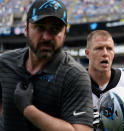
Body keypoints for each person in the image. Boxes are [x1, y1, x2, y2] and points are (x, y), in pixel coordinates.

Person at [0, 0, 93, 130]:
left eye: (55, 29)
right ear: (26, 30)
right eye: (40, 27)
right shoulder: (4, 64)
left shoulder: (75, 76)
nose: (47, 37)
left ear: (64, 33)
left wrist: (28, 110)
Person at [85, 30, 124, 131]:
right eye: (99, 48)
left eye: (109, 48)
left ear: (114, 53)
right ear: (87, 53)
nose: (105, 53)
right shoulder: (74, 84)